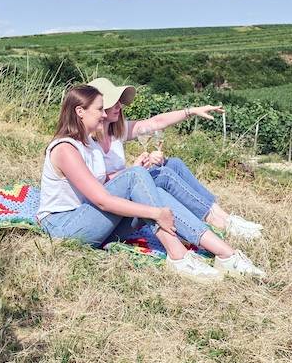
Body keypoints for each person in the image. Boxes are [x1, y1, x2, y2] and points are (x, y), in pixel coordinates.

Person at [38, 85, 265, 281]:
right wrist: (154, 212)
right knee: (139, 180)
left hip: (91, 218)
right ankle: (178, 256)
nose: (105, 115)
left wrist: (146, 191)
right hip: (64, 227)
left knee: (152, 186)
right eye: (100, 109)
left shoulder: (90, 144)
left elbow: (105, 182)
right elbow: (103, 200)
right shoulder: (65, 148)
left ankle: (226, 255)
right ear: (80, 111)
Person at [87, 77, 263, 240]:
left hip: (127, 189)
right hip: (111, 208)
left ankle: (225, 217)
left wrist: (191, 111)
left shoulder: (116, 131)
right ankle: (219, 223)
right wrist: (133, 170)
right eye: (113, 102)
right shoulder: (85, 142)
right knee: (163, 174)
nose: (119, 105)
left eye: (119, 101)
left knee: (174, 164)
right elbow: (97, 185)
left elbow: (155, 123)